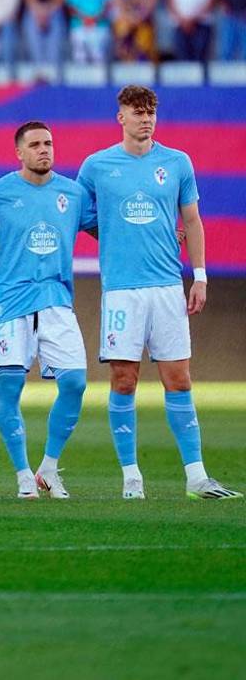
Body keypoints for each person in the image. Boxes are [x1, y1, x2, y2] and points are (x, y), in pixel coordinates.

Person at [76, 86, 240, 500]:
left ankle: (197, 477)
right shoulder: (97, 167)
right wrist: (115, 233)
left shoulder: (177, 162)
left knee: (179, 379)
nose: (146, 119)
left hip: (168, 286)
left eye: (150, 112)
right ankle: (132, 477)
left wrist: (199, 276)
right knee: (124, 380)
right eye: (137, 112)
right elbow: (82, 217)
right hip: (122, 291)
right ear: (121, 117)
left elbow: (193, 219)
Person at [0, 121, 96, 499]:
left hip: (57, 299)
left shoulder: (73, 193)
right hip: (12, 301)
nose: (44, 149)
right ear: (19, 152)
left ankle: (48, 466)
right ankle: (23, 474)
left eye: (48, 143)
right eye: (35, 144)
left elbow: (101, 228)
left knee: (75, 382)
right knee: (10, 390)